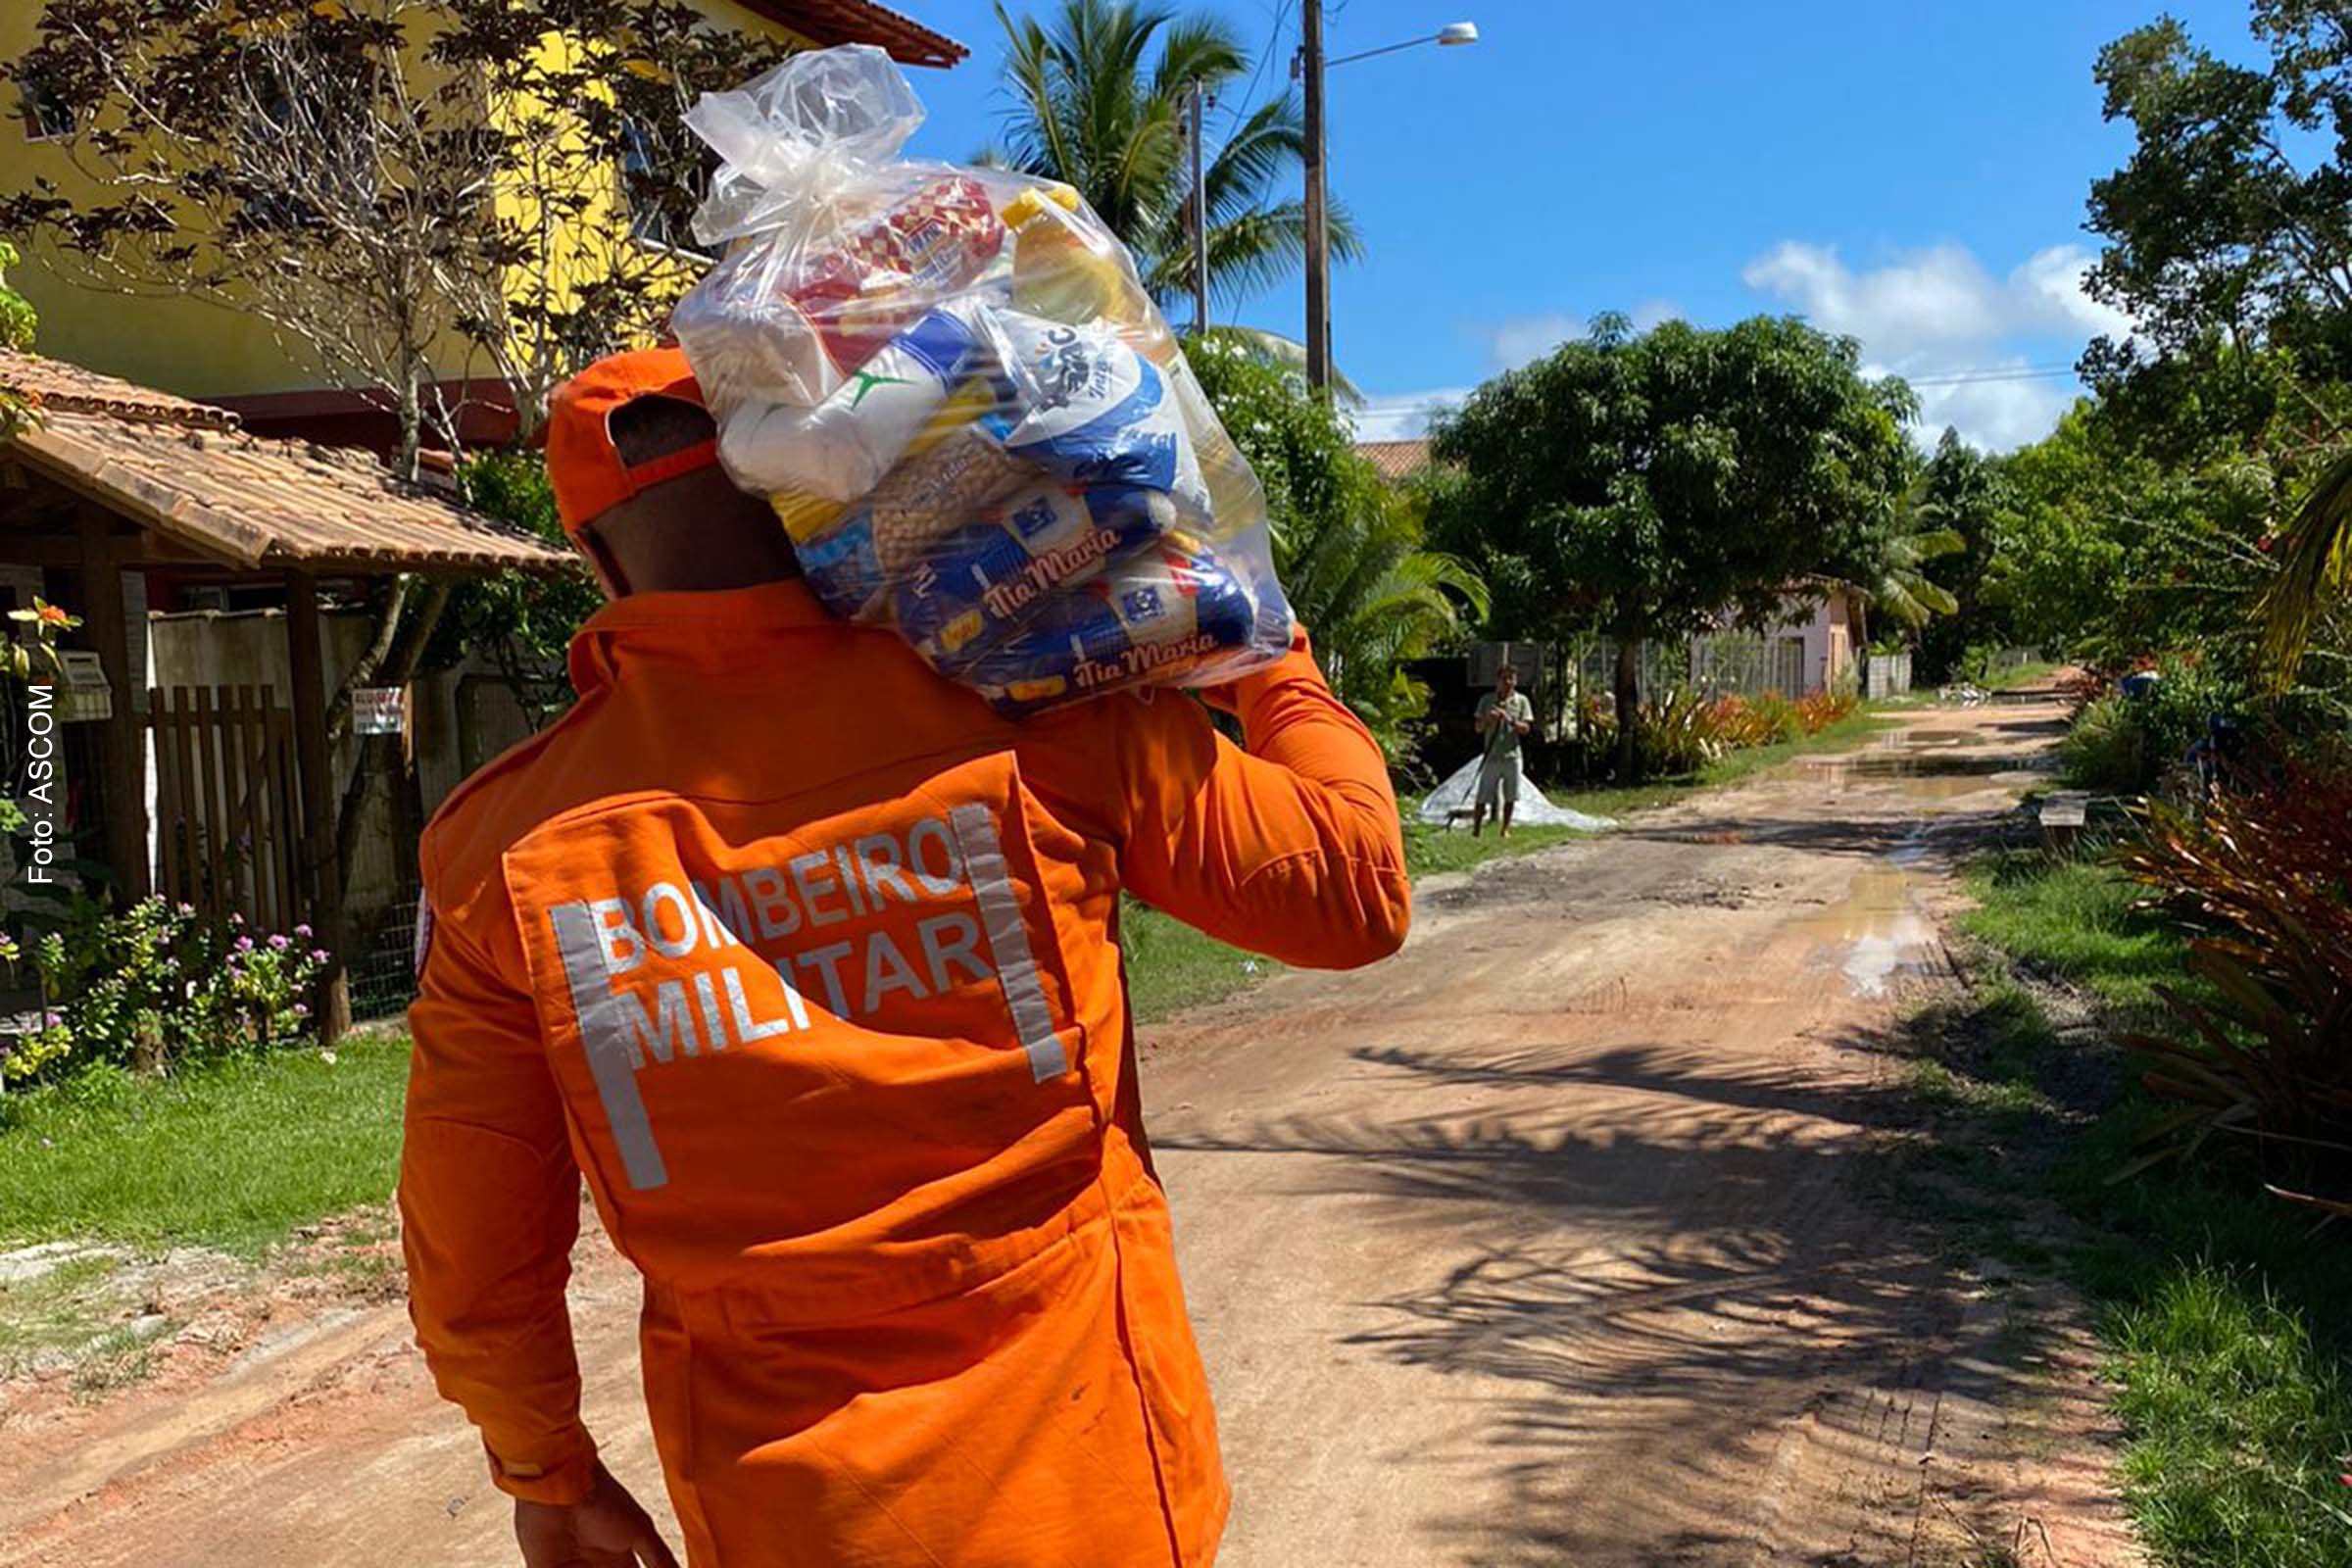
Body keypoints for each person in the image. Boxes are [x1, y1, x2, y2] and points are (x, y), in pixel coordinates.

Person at [398, 346, 1411, 1568]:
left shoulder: (504, 849)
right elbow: (1354, 890)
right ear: (829, 491)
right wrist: (1272, 653)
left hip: (789, 1524)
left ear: (601, 565)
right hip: (1100, 1502)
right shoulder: (1038, 707)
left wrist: (545, 1470)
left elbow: (473, 1251)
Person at [1470, 662, 1534, 838]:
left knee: (1511, 795)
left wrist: (1510, 720)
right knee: (1483, 795)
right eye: (1504, 678)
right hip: (1491, 755)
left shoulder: (1521, 701)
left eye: (1511, 679)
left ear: (1515, 681)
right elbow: (1478, 728)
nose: (1507, 682)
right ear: (1497, 681)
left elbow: (1526, 728)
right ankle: (1476, 828)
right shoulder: (1487, 700)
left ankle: (1505, 828)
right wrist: (1489, 719)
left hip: (1512, 755)